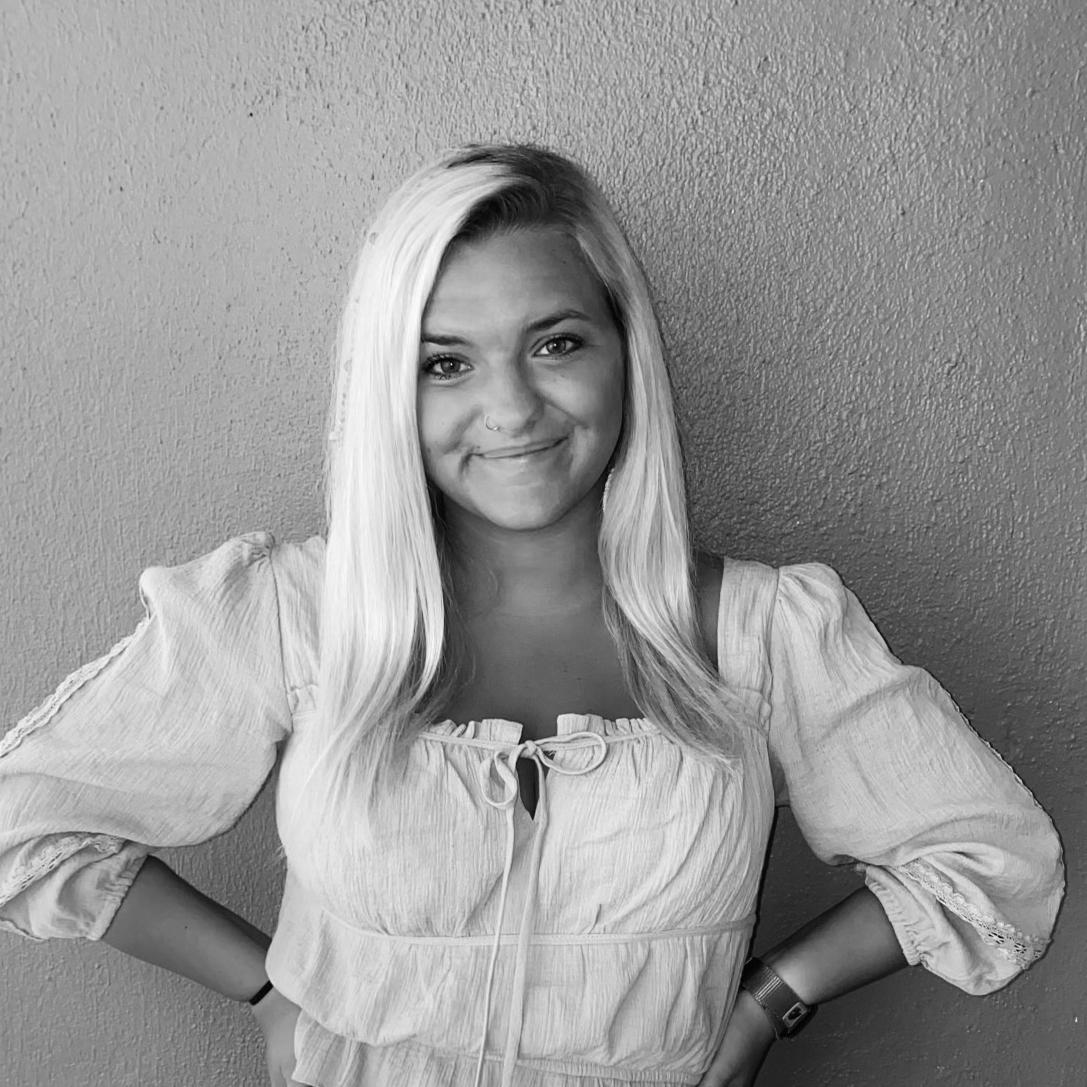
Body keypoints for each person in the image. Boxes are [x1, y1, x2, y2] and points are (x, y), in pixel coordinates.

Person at [0, 142, 1065, 1087]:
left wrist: (770, 997)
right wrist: (270, 989)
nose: (509, 409)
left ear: (625, 354)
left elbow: (993, 862)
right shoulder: (291, 613)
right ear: (389, 390)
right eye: (445, 362)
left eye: (555, 343)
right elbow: (27, 825)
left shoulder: (767, 634)